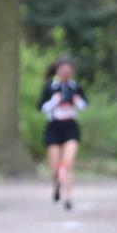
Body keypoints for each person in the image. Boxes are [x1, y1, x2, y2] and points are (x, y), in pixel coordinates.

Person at [37, 58, 87, 211]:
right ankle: (57, 184)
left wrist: (78, 101)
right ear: (57, 70)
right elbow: (41, 107)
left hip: (71, 127)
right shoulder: (50, 87)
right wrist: (54, 101)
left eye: (69, 69)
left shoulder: (75, 87)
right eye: (63, 69)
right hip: (54, 127)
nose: (66, 72)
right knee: (55, 167)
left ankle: (68, 198)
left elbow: (84, 106)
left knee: (68, 163)